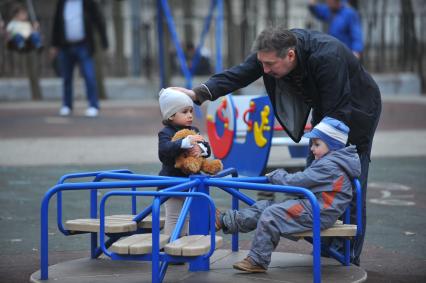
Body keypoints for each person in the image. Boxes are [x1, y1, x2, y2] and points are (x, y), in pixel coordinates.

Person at [172, 26, 381, 265]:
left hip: (358, 108)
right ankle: (325, 249)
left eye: (270, 65)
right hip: (327, 106)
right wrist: (198, 93)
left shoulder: (327, 56)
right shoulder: (271, 50)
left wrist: (325, 155)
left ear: (290, 55)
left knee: (345, 178)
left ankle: (348, 255)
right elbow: (241, 73)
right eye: (262, 63)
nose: (265, 70)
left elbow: (338, 110)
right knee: (316, 173)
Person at [215, 117, 361, 272]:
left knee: (271, 214)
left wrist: (277, 175)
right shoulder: (331, 162)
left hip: (319, 212)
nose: (312, 148)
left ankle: (258, 260)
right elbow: (307, 180)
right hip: (315, 207)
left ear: (333, 146)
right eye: (312, 144)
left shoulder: (329, 166)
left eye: (317, 144)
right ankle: (224, 221)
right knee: (265, 206)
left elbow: (298, 181)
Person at [158, 88, 212, 236]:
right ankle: (171, 245)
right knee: (174, 216)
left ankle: (184, 245)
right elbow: (164, 152)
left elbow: (206, 147)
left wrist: (201, 150)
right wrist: (184, 143)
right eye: (184, 112)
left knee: (188, 217)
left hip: (190, 182)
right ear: (170, 115)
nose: (189, 115)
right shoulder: (166, 133)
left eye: (191, 111)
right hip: (172, 182)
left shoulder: (193, 130)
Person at [50, 0, 108, 117]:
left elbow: (98, 20)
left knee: (89, 75)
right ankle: (67, 105)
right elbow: (57, 23)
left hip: (83, 45)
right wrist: (54, 45)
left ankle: (93, 105)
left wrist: (104, 41)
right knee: (66, 77)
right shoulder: (62, 3)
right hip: (65, 46)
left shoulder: (87, 3)